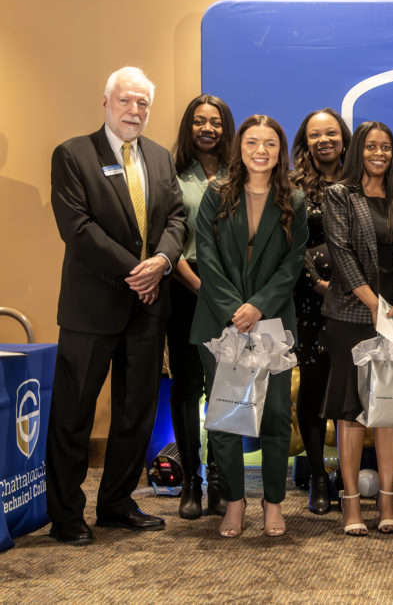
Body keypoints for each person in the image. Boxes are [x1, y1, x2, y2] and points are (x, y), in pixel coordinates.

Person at [47, 66, 186, 545]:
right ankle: (66, 514)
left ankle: (116, 503)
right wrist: (139, 272)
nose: (134, 111)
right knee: (74, 413)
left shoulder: (160, 158)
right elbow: (78, 228)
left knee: (137, 411)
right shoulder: (73, 154)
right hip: (92, 308)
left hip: (147, 309)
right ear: (105, 103)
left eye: (143, 104)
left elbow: (176, 218)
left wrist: (164, 260)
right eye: (126, 101)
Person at [191, 115, 308, 538]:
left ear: (281, 151)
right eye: (253, 142)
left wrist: (257, 307)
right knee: (225, 415)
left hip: (273, 321)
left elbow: (293, 263)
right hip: (221, 324)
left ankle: (273, 503)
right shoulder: (216, 195)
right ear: (239, 146)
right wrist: (234, 310)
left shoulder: (293, 200)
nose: (261, 150)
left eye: (271, 144)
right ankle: (235, 503)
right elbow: (206, 254)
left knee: (276, 414)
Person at [321, 121, 393, 535]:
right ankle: (350, 504)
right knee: (351, 413)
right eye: (371, 147)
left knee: (390, 408)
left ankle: (386, 503)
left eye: (386, 147)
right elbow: (341, 253)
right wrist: (375, 304)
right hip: (351, 316)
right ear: (358, 152)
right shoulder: (339, 196)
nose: (379, 153)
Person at [167, 93, 235, 520]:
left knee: (224, 385)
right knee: (188, 384)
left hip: (229, 288)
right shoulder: (171, 174)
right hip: (184, 283)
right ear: (188, 127)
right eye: (198, 121)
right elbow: (166, 237)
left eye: (215, 122)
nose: (207, 128)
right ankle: (191, 479)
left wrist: (222, 291)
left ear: (225, 128)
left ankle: (220, 479)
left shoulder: (240, 174)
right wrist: (196, 285)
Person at [289, 108, 351, 514]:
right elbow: (289, 243)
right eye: (315, 135)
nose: (324, 140)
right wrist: (316, 281)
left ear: (344, 139)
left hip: (353, 300)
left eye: (331, 133)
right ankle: (317, 477)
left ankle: (348, 478)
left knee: (349, 389)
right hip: (309, 300)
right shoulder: (292, 186)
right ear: (305, 141)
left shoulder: (362, 182)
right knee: (313, 387)